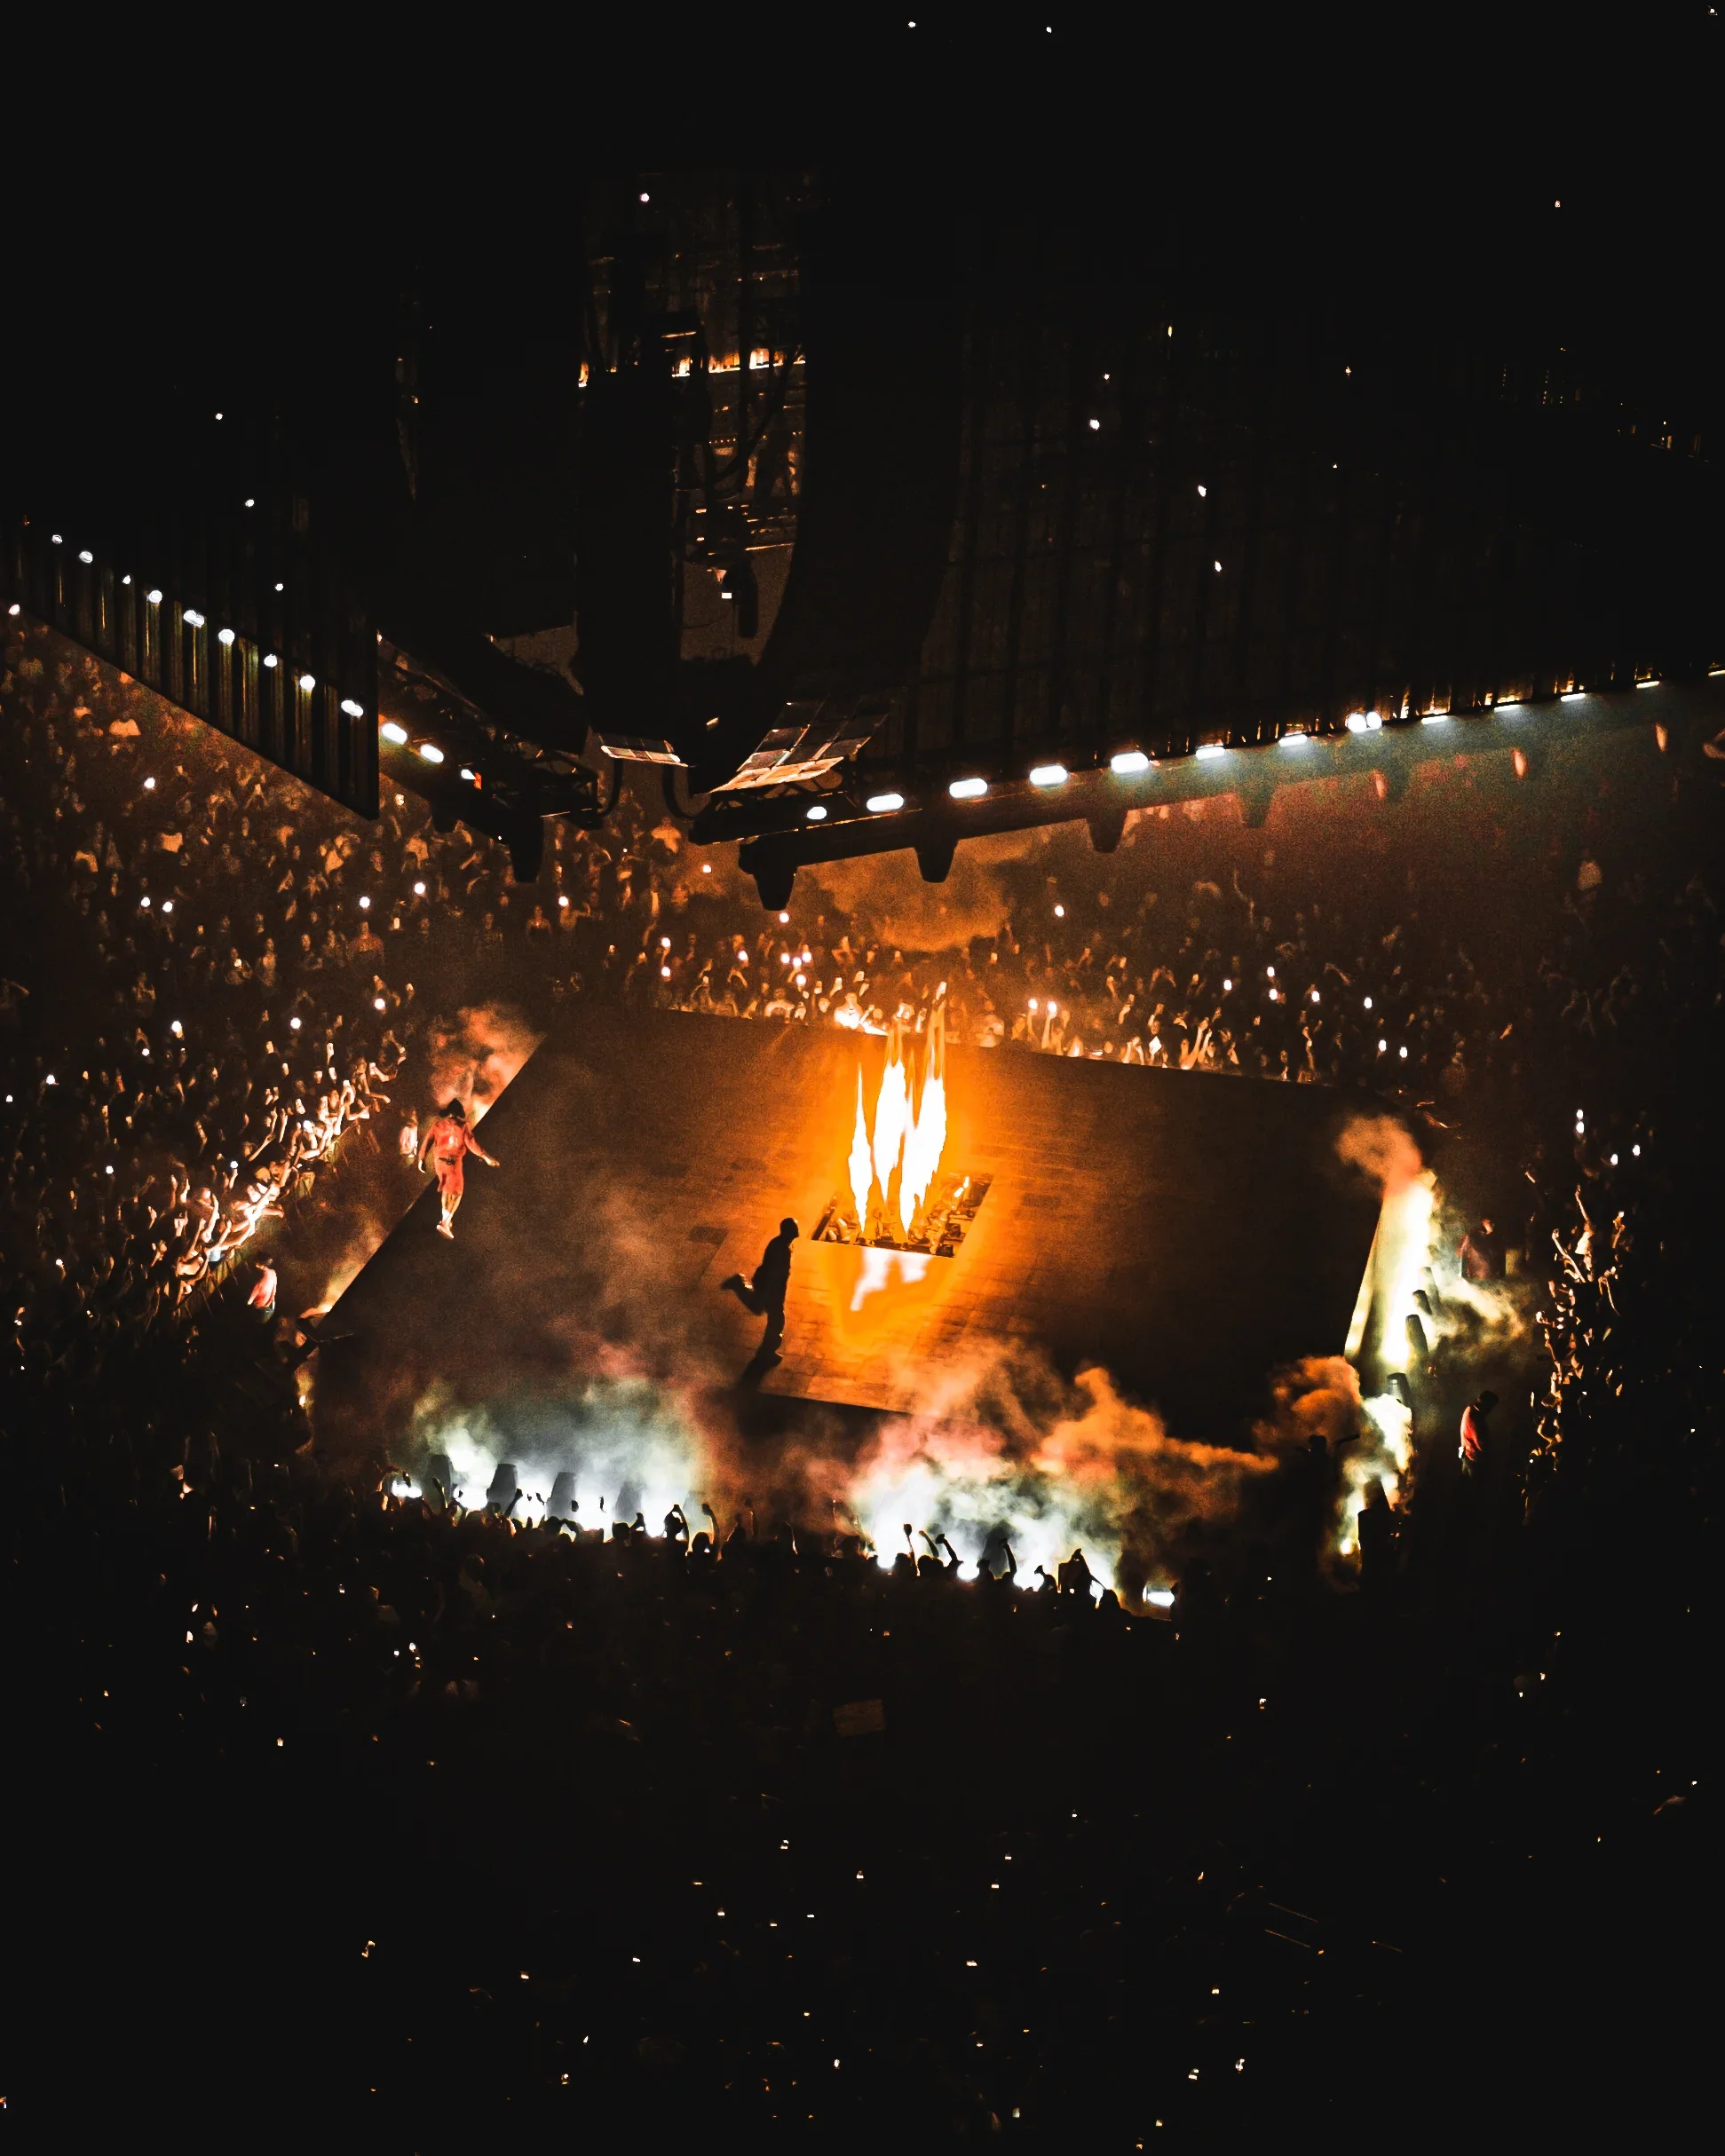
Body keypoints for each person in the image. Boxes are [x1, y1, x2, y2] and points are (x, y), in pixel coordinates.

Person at [416, 1098, 499, 1239]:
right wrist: (486, 1157)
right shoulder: (462, 1126)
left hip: (439, 1163)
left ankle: (444, 1220)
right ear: (459, 1113)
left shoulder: (438, 1125)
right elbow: (472, 1144)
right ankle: (446, 1222)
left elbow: (427, 1141)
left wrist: (421, 1159)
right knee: (457, 1192)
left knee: (446, 1190)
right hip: (453, 1163)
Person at [720, 1217, 798, 1359]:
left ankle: (739, 1284)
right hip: (769, 1286)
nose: (797, 1232)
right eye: (794, 1229)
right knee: (776, 1320)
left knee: (760, 1309)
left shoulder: (783, 1244)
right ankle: (767, 1353)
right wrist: (776, 1295)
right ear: (788, 1231)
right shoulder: (781, 1248)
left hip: (767, 1284)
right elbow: (776, 1275)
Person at [1459, 1388, 1498, 1473]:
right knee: (1474, 1484)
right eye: (1491, 1407)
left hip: (1466, 1454)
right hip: (1474, 1460)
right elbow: (1482, 1445)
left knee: (1466, 1482)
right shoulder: (1477, 1420)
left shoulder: (1469, 1408)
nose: (1491, 1410)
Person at [1458, 1217, 1501, 1283]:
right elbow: (1464, 1253)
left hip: (1485, 1273)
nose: (1492, 1225)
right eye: (1488, 1222)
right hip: (1478, 1272)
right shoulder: (1474, 1236)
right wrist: (1463, 1274)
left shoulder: (1490, 1237)